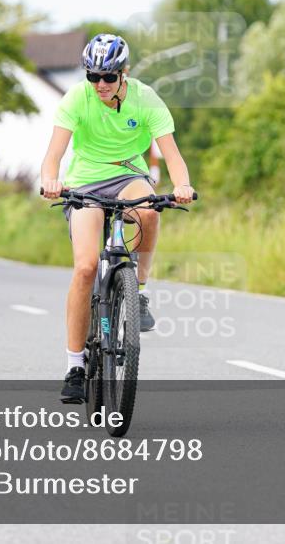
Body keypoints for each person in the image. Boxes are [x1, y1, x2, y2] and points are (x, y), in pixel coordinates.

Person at [40, 34, 196, 403]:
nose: (101, 85)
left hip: (128, 175)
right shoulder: (77, 98)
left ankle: (137, 292)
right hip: (85, 181)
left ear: (124, 72)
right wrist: (50, 180)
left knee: (149, 211)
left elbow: (172, 155)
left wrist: (183, 185)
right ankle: (75, 367)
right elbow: (54, 154)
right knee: (85, 268)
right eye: (93, 77)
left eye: (109, 77)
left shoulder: (146, 98)